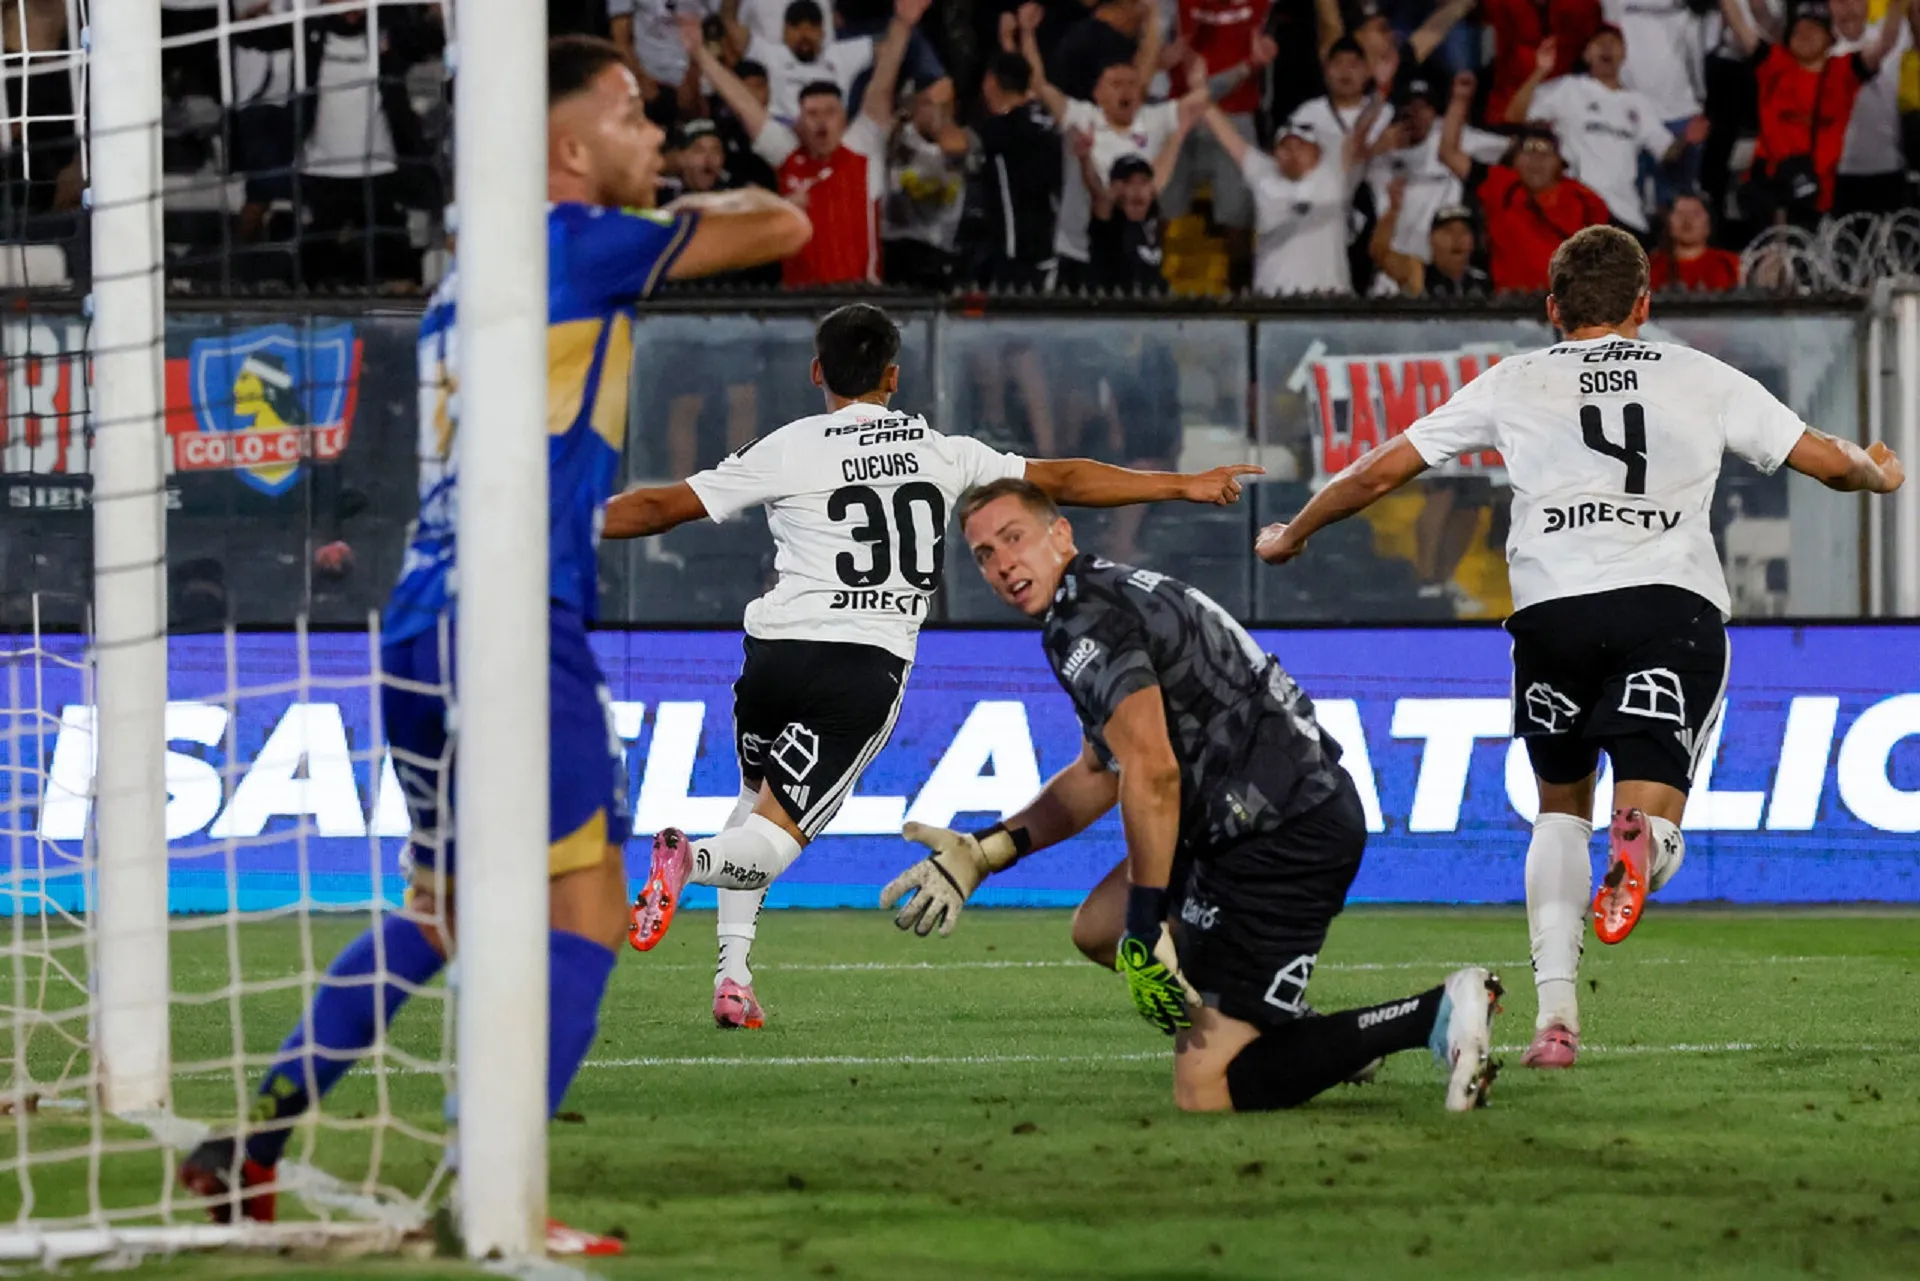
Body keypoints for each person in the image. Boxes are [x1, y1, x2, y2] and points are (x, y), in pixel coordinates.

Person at [176, 36, 812, 1253]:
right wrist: (682, 190)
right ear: (568, 149)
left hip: (419, 621)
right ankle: (493, 1183)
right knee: (584, 910)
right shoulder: (580, 243)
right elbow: (784, 224)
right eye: (631, 116)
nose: (654, 135)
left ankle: (249, 1141)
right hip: (517, 622)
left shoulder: (471, 277)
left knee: (445, 908)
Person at [1252, 225, 1904, 1071]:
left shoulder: (1515, 378)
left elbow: (1381, 470)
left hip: (1554, 616)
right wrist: (1876, 471)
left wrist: (1295, 531)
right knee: (1654, 801)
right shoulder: (1699, 374)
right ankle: (1648, 843)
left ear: (1552, 308)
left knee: (1560, 809)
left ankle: (1555, 1021)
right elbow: (1824, 461)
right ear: (1645, 303)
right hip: (1668, 605)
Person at [600, 304, 1263, 1029]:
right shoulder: (944, 451)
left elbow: (664, 505)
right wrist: (1182, 484)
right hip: (861, 667)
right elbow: (1064, 477)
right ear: (893, 374)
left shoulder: (788, 445)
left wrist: (556, 515)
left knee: (754, 798)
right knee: (769, 839)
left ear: (817, 371)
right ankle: (685, 862)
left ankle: (733, 976)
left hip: (772, 656)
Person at [880, 477, 1506, 1115]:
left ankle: (1433, 1010)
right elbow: (1100, 771)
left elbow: (1152, 775)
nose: (1002, 561)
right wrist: (988, 852)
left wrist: (1148, 919)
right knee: (1100, 929)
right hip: (1254, 812)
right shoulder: (1094, 597)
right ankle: (1285, 1021)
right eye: (984, 553)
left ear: (1059, 534)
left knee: (1206, 1088)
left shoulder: (1087, 619)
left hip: (1282, 830)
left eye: (1013, 538)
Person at [688, 0, 921, 285]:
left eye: (830, 113)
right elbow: (745, 105)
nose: (821, 122)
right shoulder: (787, 154)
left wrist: (902, 25)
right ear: (799, 121)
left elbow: (882, 83)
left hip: (860, 300)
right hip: (797, 307)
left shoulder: (862, 147)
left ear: (844, 118)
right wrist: (699, 53)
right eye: (812, 114)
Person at [1019, 2, 1196, 291]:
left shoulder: (1148, 121)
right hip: (1078, 250)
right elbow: (1039, 84)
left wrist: (1154, 25)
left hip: (1128, 252)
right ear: (1097, 93)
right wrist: (1027, 34)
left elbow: (1153, 79)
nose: (1125, 89)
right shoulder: (1081, 118)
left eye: (1130, 84)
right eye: (1115, 83)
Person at [1504, 26, 1709, 239]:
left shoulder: (1638, 103)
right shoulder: (1569, 89)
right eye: (1599, 43)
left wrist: (1687, 138)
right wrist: (1541, 71)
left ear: (1624, 54)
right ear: (1586, 55)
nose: (1607, 47)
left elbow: (1667, 152)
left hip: (1626, 214)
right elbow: (1514, 116)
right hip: (1579, 208)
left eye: (1614, 43)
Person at [1718, 0, 1910, 226]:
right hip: (1772, 186)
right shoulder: (1775, 64)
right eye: (1798, 30)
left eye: (1813, 30)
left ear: (1829, 38)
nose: (1804, 35)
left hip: (1820, 191)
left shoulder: (1843, 71)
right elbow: (1739, 24)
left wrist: (1896, 6)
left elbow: (1886, 43)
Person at [1205, 79, 1386, 296]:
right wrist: (1202, 97)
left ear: (1317, 153)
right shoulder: (1264, 174)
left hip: (1331, 304)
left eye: (1300, 146)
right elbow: (1227, 136)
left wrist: (1382, 90)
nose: (1291, 153)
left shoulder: (1334, 176)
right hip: (1272, 303)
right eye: (1285, 146)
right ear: (1274, 154)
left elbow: (1359, 133)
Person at [1438, 72, 1610, 292]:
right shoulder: (1500, 185)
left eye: (1545, 152)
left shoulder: (1586, 200)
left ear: (1560, 163)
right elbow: (1448, 153)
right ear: (1515, 161)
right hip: (1511, 310)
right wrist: (1460, 99)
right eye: (1527, 151)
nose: (1535, 161)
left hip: (1565, 308)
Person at [963, 48, 1064, 290]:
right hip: (1050, 250)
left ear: (990, 82)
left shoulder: (999, 131)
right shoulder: (1048, 123)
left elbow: (954, 143)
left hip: (1015, 256)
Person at [1074, 111, 1194, 293]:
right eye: (1129, 183)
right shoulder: (1109, 218)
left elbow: (1160, 177)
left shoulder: (1152, 213)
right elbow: (1097, 191)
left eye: (1143, 182)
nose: (1137, 190)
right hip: (1116, 308)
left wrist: (1177, 136)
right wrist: (1085, 159)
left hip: (1151, 304)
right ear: (1115, 188)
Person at [1832, 0, 1920, 216]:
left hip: (1887, 169)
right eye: (1840, 2)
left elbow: (1888, 39)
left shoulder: (1889, 37)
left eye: (1855, 1)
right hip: (1835, 174)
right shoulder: (1816, 46)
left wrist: (1898, 6)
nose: (1848, 8)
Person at [1370, 189, 1490, 297]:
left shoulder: (1484, 282)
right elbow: (1379, 251)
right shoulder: (1417, 274)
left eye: (1464, 232)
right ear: (1432, 239)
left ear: (1473, 243)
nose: (1457, 238)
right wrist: (1393, 211)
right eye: (1448, 231)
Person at [1648, 192, 1742, 291]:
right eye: (1680, 213)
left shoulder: (1730, 264)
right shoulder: (1650, 266)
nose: (1687, 220)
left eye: (1696, 213)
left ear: (1709, 224)